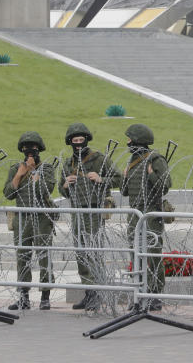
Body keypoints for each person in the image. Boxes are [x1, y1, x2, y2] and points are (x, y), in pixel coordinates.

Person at [60, 122, 115, 311]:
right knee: (81, 253)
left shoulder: (98, 159)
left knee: (93, 252)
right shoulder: (68, 163)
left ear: (86, 140)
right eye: (74, 141)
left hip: (93, 210)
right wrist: (66, 184)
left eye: (81, 140)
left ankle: (98, 292)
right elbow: (61, 188)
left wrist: (101, 179)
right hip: (77, 211)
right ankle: (88, 292)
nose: (78, 143)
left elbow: (118, 179)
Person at [121, 123, 171, 311]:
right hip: (135, 213)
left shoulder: (155, 159)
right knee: (135, 253)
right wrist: (125, 177)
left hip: (150, 213)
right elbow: (125, 191)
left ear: (138, 140)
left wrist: (151, 174)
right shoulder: (132, 161)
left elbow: (165, 186)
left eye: (130, 139)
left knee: (152, 254)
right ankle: (138, 292)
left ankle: (155, 293)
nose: (127, 142)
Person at [3, 131, 56, 311]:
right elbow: (8, 194)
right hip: (22, 217)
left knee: (44, 257)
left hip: (41, 217)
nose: (29, 151)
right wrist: (20, 174)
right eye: (26, 148)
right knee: (22, 258)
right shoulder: (15, 169)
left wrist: (34, 172)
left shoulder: (47, 168)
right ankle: (23, 296)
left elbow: (45, 190)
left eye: (33, 148)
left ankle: (45, 296)